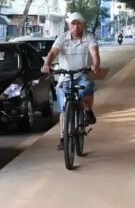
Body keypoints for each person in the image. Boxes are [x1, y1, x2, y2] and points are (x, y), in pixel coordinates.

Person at [41, 13, 101, 149]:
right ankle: (63, 138)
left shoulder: (89, 37)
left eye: (78, 23)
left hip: (84, 74)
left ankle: (87, 110)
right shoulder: (62, 38)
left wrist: (95, 65)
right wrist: (47, 64)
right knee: (63, 109)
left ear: (83, 24)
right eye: (73, 24)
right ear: (68, 25)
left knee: (88, 88)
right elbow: (53, 53)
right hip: (66, 76)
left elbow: (95, 54)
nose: (76, 26)